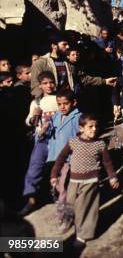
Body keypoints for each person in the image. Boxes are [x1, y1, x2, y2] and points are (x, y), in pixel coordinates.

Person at [51, 114, 119, 248]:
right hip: (74, 181)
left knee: (85, 208)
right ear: (81, 128)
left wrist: (112, 177)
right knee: (70, 204)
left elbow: (107, 162)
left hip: (91, 181)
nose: (94, 129)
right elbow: (60, 158)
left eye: (96, 126)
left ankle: (83, 235)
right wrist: (54, 174)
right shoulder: (73, 142)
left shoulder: (99, 144)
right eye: (90, 126)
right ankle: (71, 222)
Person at [19, 71, 58, 216]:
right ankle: (31, 200)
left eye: (51, 82)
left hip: (58, 139)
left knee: (57, 167)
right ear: (40, 85)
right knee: (35, 167)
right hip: (41, 139)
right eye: (45, 83)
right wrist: (34, 116)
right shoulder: (36, 102)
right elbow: (28, 121)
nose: (49, 86)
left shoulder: (60, 98)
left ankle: (59, 196)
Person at [31, 33, 115, 98]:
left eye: (67, 44)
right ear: (54, 46)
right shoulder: (40, 63)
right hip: (50, 103)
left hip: (68, 101)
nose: (67, 47)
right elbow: (35, 87)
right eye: (64, 44)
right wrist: (40, 103)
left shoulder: (68, 63)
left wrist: (104, 81)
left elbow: (83, 79)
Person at [45, 90, 82, 229]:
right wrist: (45, 129)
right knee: (59, 187)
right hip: (56, 158)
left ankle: (65, 218)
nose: (62, 107)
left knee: (64, 189)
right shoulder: (56, 116)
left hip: (69, 159)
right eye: (59, 104)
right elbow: (51, 135)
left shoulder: (78, 117)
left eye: (65, 104)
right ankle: (68, 211)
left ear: (74, 103)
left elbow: (81, 139)